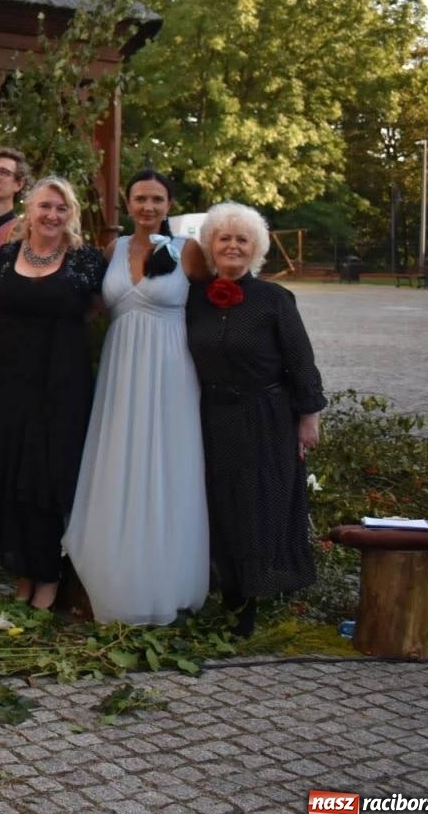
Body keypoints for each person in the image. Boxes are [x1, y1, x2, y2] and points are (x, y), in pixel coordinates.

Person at [65, 170, 211, 625]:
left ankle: (165, 577)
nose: (148, 207)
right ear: (127, 204)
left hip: (170, 372)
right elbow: (92, 308)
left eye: (158, 199)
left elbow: (211, 311)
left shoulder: (188, 252)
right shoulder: (113, 250)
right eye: (140, 199)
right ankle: (111, 573)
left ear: (169, 204)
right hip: (120, 369)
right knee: (118, 459)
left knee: (166, 462)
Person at [186, 201, 324, 636]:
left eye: (241, 239)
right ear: (210, 245)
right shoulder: (193, 299)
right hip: (210, 416)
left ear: (256, 248)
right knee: (217, 504)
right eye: (223, 238)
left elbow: (300, 361)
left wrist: (308, 417)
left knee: (256, 503)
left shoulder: (274, 300)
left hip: (264, 417)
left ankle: (248, 602)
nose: (232, 246)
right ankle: (224, 591)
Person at [0, 176, 105, 610]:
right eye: (44, 207)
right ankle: (22, 574)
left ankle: (49, 577)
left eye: (61, 208)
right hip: (10, 379)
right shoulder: (5, 256)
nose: (52, 215)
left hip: (63, 382)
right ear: (28, 211)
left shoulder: (86, 259)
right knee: (12, 474)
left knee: (50, 477)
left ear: (70, 214)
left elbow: (95, 311)